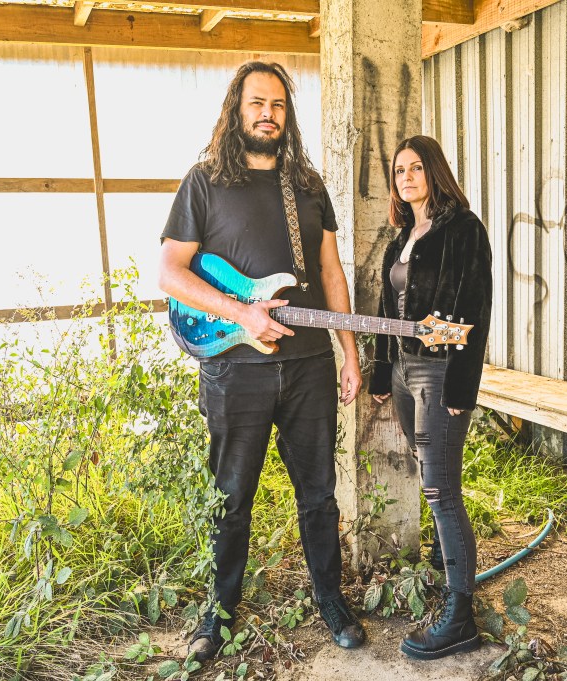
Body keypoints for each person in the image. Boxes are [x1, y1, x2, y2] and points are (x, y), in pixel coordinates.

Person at [158, 60, 365, 661]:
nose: (268, 114)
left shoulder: (308, 186)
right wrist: (243, 314)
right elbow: (170, 273)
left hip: (309, 365)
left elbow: (331, 273)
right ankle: (219, 613)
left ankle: (330, 598)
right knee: (231, 498)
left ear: (287, 115)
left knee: (319, 494)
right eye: (257, 103)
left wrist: (349, 354)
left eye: (277, 104)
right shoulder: (204, 183)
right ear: (237, 110)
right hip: (234, 369)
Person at [367, 135, 493, 660]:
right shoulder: (400, 237)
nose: (406, 178)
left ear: (434, 172)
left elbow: (475, 309)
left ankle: (460, 617)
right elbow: (384, 308)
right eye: (399, 171)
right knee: (428, 472)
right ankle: (448, 573)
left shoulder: (464, 230)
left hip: (440, 372)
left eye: (416, 168)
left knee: (441, 488)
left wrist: (463, 385)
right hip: (401, 368)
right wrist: (381, 373)